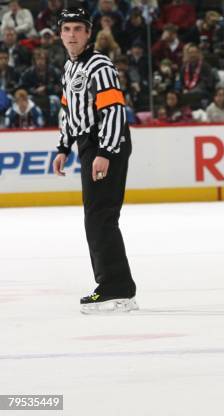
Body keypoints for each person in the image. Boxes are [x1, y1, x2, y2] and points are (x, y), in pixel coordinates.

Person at [51, 8, 137, 314]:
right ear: (60, 34)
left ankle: (116, 289)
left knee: (101, 215)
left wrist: (106, 152)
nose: (72, 34)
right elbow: (68, 109)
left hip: (105, 143)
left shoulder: (98, 64)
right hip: (90, 145)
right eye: (67, 29)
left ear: (88, 33)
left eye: (78, 29)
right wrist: (64, 146)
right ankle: (117, 287)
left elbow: (113, 110)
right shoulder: (70, 67)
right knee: (97, 216)